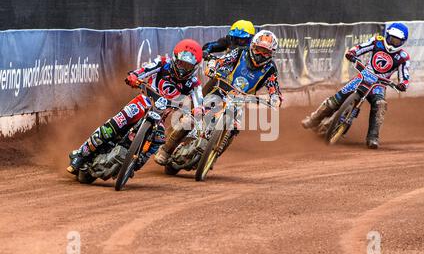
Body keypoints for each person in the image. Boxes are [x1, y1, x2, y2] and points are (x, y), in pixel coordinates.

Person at [67, 39, 204, 175]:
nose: (182, 69)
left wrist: (199, 109)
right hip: (143, 101)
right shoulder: (162, 63)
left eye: (187, 66)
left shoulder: (194, 83)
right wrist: (134, 76)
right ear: (175, 58)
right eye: (181, 63)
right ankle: (81, 154)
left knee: (158, 139)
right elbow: (143, 70)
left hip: (160, 115)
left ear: (194, 67)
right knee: (116, 122)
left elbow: (199, 100)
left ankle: (135, 163)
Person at [153, 30, 282, 166]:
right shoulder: (239, 52)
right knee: (192, 118)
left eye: (266, 52)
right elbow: (221, 61)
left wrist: (275, 99)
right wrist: (213, 67)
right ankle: (166, 150)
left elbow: (274, 87)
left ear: (271, 53)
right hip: (221, 91)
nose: (261, 55)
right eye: (259, 50)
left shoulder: (270, 68)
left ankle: (212, 156)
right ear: (253, 47)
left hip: (240, 101)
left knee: (234, 128)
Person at [301, 22, 411, 149]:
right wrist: (352, 53)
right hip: (363, 77)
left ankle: (373, 137)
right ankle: (314, 119)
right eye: (392, 39)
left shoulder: (403, 57)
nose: (393, 43)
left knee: (380, 105)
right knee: (337, 98)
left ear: (402, 42)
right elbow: (361, 47)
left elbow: (405, 74)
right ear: (387, 36)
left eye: (397, 41)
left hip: (379, 85)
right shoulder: (377, 41)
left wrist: (403, 84)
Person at [201, 20, 256, 96]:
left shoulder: (256, 51)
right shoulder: (228, 42)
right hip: (223, 77)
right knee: (202, 95)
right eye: (235, 39)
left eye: (242, 40)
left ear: (251, 39)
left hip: (243, 81)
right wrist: (206, 51)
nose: (238, 42)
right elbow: (211, 45)